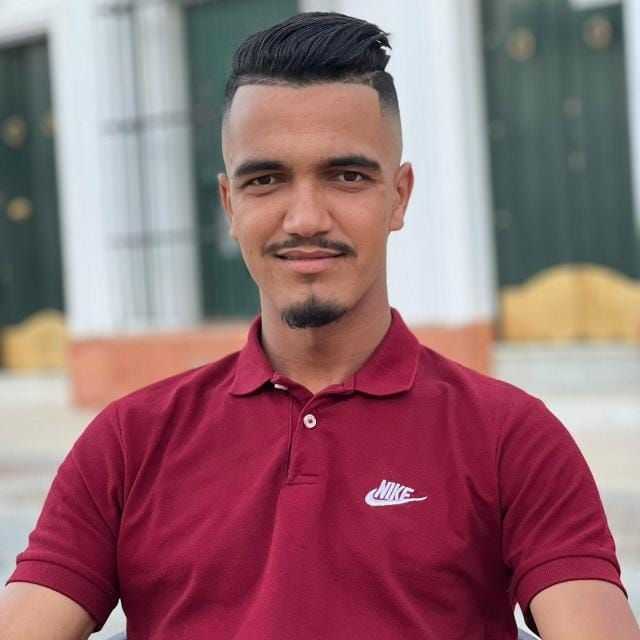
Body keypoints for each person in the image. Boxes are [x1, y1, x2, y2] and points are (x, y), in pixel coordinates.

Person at [1, 11, 639, 640]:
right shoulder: (129, 441)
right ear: (229, 203)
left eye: (346, 176)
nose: (305, 218)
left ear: (399, 196)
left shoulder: (510, 437)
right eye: (266, 180)